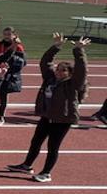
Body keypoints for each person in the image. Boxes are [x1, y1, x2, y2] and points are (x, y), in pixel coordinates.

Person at [7, 34, 89, 183]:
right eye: (58, 69)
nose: (58, 72)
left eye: (63, 71)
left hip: (63, 119)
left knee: (53, 146)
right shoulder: (50, 79)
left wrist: (78, 50)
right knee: (36, 141)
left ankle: (46, 173)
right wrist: (56, 46)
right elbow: (45, 62)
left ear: (70, 73)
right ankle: (26, 165)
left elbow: (82, 70)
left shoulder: (73, 84)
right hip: (47, 116)